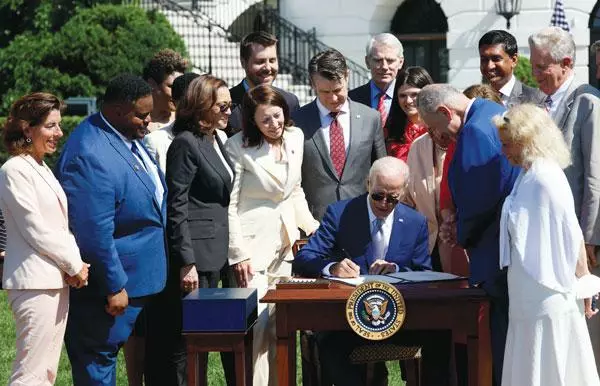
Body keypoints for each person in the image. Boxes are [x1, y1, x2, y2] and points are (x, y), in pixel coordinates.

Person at [294, 156, 451, 386]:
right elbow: (304, 258)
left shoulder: (415, 222)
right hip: (346, 319)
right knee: (330, 345)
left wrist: (397, 270)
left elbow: (423, 271)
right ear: (368, 184)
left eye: (392, 198)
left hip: (400, 318)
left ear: (404, 191)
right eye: (378, 195)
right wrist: (333, 268)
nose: (384, 203)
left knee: (440, 335)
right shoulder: (340, 214)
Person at [55, 74, 168, 385]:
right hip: (109, 291)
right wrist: (113, 286)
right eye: (141, 115)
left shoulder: (124, 136)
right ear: (118, 110)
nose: (148, 122)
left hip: (141, 279)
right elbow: (93, 232)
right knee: (97, 365)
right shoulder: (89, 153)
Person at [417, 84, 520, 386]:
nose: (445, 138)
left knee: (502, 344)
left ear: (446, 112)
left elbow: (481, 196)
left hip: (494, 254)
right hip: (507, 248)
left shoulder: (474, 130)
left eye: (441, 130)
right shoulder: (492, 111)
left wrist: (458, 230)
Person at [494, 104, 600, 386]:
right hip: (526, 286)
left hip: (547, 288)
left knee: (550, 355)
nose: (504, 152)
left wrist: (584, 280)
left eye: (508, 145)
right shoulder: (527, 175)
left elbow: (571, 231)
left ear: (525, 141)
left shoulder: (546, 177)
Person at [145, 74, 235, 386]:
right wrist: (187, 261)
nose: (228, 112)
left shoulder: (215, 139)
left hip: (216, 254)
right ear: (200, 107)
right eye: (221, 106)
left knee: (205, 339)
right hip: (196, 258)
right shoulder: (185, 143)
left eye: (230, 106)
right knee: (185, 345)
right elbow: (177, 205)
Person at [226, 84, 319, 385]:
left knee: (282, 326)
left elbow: (294, 191)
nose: (274, 125)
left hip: (286, 246)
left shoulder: (295, 137)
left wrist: (314, 228)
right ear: (252, 121)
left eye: (278, 116)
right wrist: (237, 253)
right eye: (265, 120)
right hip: (252, 251)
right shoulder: (237, 147)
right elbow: (230, 205)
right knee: (258, 327)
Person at [0, 93, 88, 385]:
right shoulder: (14, 170)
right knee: (31, 372)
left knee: (46, 372)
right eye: (51, 126)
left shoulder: (40, 166)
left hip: (53, 280)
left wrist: (73, 266)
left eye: (59, 125)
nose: (59, 133)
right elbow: (35, 228)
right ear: (28, 129)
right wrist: (74, 264)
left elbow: (58, 226)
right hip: (33, 283)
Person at [529, 27, 600, 372]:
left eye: (542, 66)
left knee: (587, 329)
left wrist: (588, 237)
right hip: (551, 238)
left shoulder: (586, 101)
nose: (535, 74)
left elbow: (594, 175)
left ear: (567, 63)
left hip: (579, 242)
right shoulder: (542, 102)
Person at [293, 49, 387, 221]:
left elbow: (380, 170)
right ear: (312, 84)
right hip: (314, 224)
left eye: (338, 90)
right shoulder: (297, 121)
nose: (333, 98)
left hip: (362, 218)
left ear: (347, 76)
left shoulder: (370, 118)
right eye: (324, 92)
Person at [227, 31, 300, 135]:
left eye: (272, 60)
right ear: (243, 63)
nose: (268, 68)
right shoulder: (228, 104)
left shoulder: (290, 102)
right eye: (260, 62)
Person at [144, 72, 200, 173]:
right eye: (188, 103)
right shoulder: (155, 141)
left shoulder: (219, 137)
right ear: (175, 103)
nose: (195, 109)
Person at [348, 33, 404, 127]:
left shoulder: (410, 99)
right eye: (378, 60)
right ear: (367, 62)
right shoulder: (351, 99)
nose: (384, 67)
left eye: (390, 60)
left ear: (400, 62)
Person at [478, 30, 545, 107]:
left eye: (496, 59)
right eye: (484, 60)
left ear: (514, 60)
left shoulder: (536, 99)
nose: (489, 66)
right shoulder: (473, 99)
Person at [385, 66, 434, 161]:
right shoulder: (390, 129)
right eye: (402, 96)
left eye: (414, 94)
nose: (408, 101)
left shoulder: (440, 127)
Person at [142, 48, 188, 132]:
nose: (179, 92)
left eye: (181, 86)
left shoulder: (186, 122)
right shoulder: (136, 124)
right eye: (172, 86)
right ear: (151, 84)